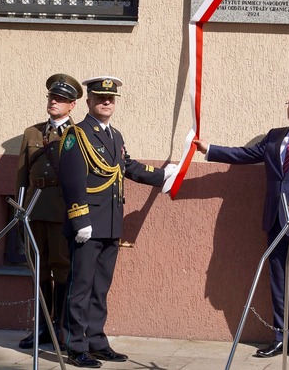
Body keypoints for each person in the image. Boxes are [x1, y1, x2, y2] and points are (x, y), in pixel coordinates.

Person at [193, 85, 289, 365]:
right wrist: (209, 149)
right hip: (276, 223)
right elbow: (246, 155)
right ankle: (282, 338)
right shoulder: (275, 138)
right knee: (279, 284)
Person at [57, 76, 176, 368]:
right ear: (89, 102)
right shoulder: (77, 134)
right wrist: (80, 218)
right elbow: (71, 180)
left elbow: (125, 167)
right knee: (80, 286)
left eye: (110, 99)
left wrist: (163, 176)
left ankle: (96, 341)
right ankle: (75, 345)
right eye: (100, 98)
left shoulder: (115, 135)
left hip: (110, 223)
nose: (106, 102)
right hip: (87, 225)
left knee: (100, 287)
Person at [15, 73, 83, 349]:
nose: (55, 102)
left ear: (72, 105)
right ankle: (41, 326)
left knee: (63, 270)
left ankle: (62, 328)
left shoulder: (78, 135)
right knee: (38, 270)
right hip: (34, 209)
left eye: (62, 99)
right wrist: (20, 212)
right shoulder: (32, 133)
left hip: (62, 213)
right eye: (52, 97)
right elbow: (21, 175)